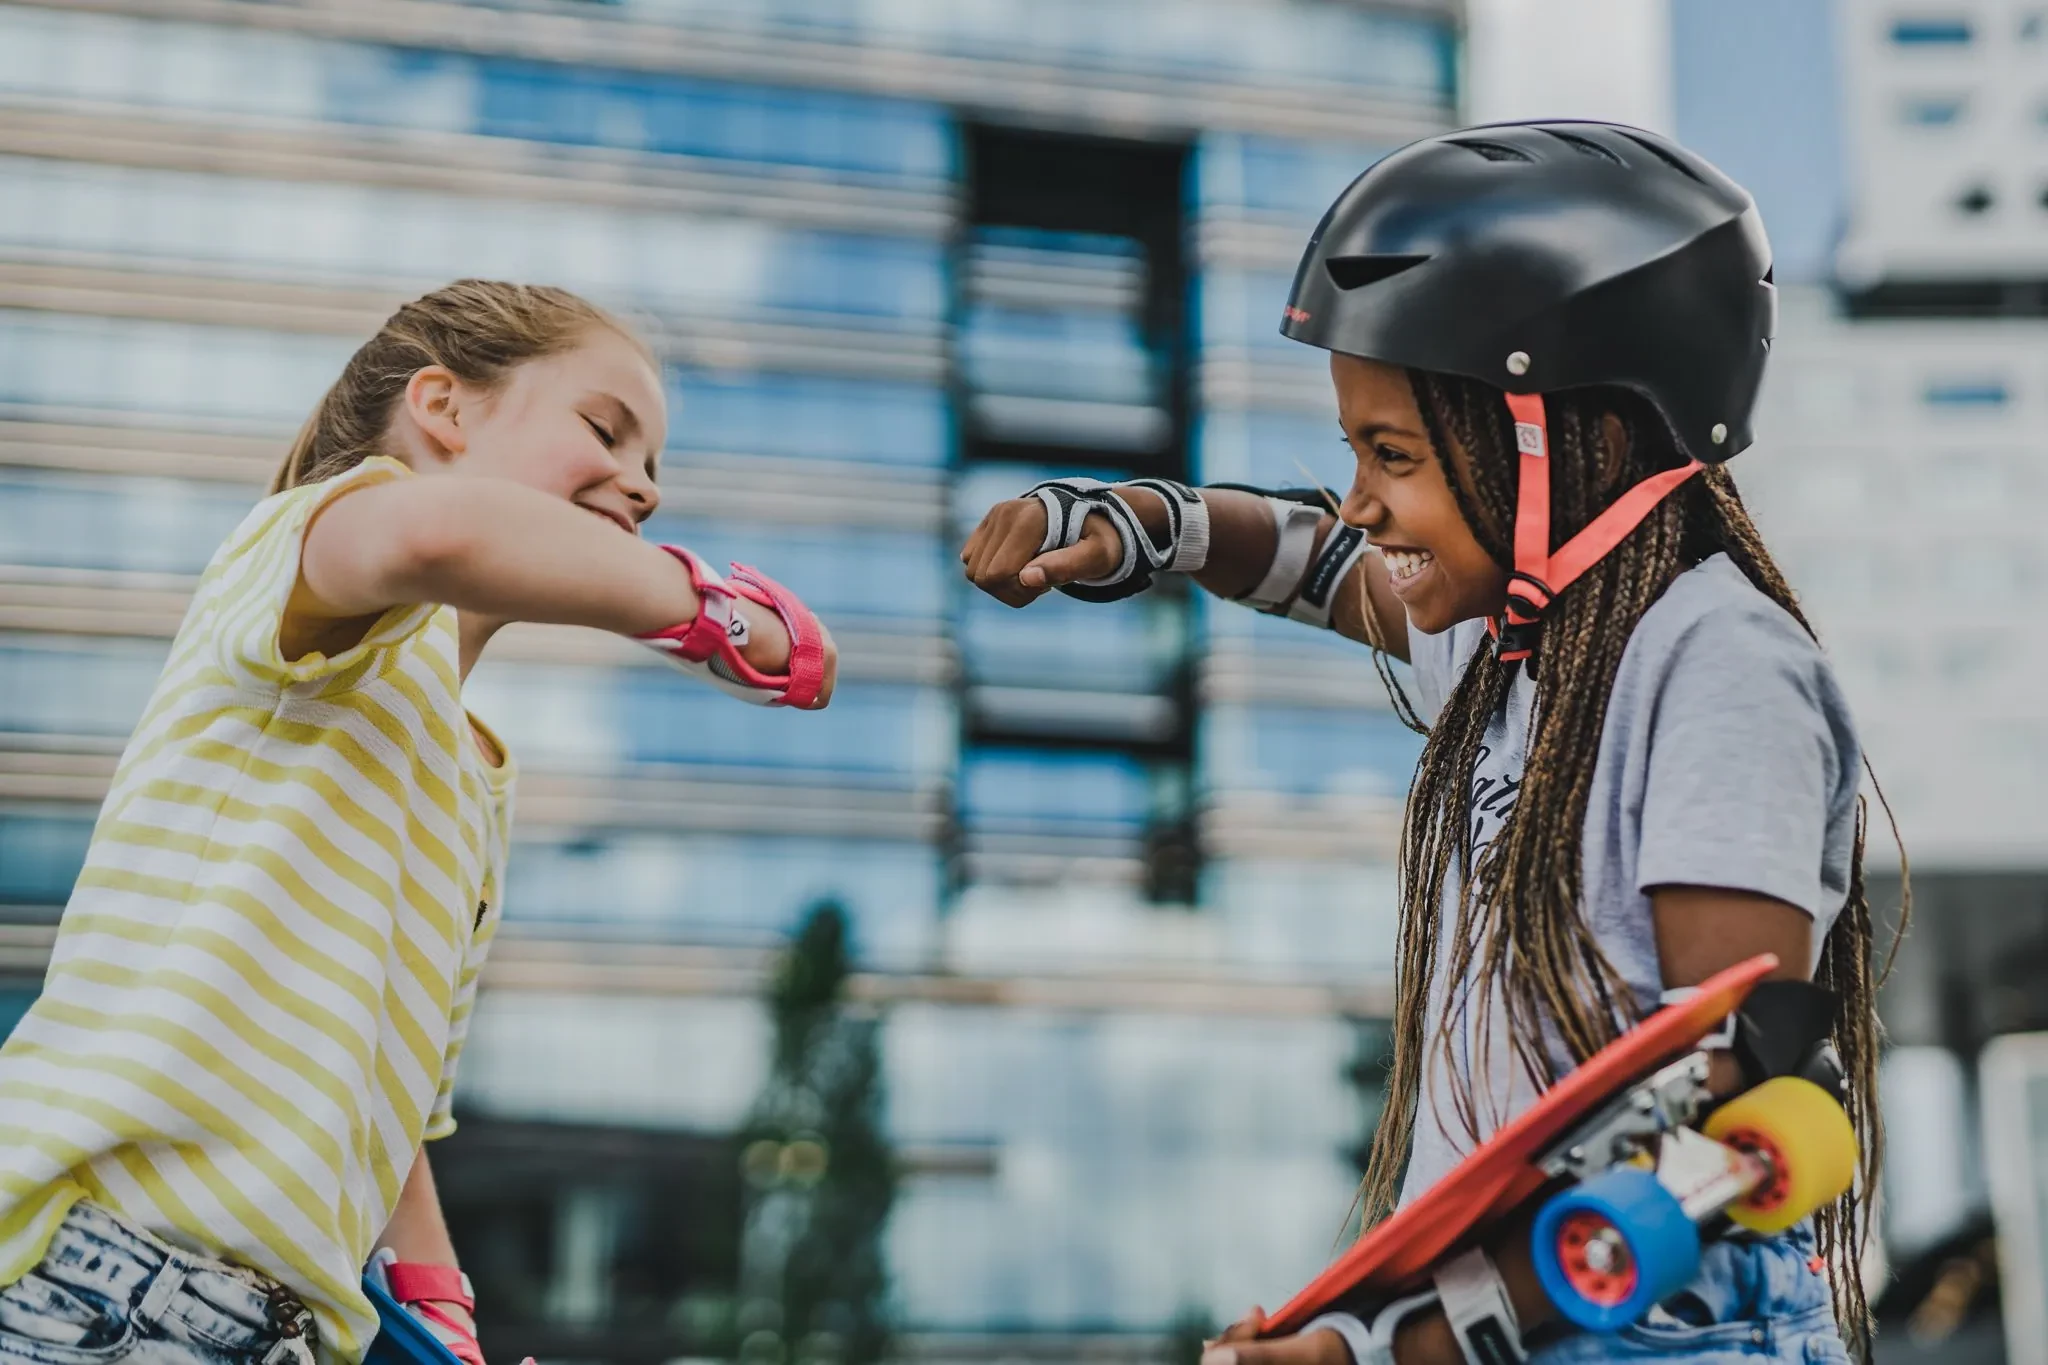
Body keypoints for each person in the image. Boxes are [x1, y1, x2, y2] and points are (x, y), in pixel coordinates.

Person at [961, 122, 1897, 1364]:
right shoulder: (1514, 640)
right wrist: (1133, 521)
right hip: (1511, 1323)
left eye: (1389, 454)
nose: (1356, 499)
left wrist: (1376, 1347)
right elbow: (1304, 557)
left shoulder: (1714, 664)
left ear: (1585, 446)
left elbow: (1733, 1113)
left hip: (1664, 1332)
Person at [0, 280, 836, 1365]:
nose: (640, 486)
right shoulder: (305, 556)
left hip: (278, 1333)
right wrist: (708, 610)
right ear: (443, 409)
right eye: (605, 431)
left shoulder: (474, 781)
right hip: (96, 1280)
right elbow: (440, 534)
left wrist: (443, 1319)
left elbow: (393, 1121)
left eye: (654, 470)